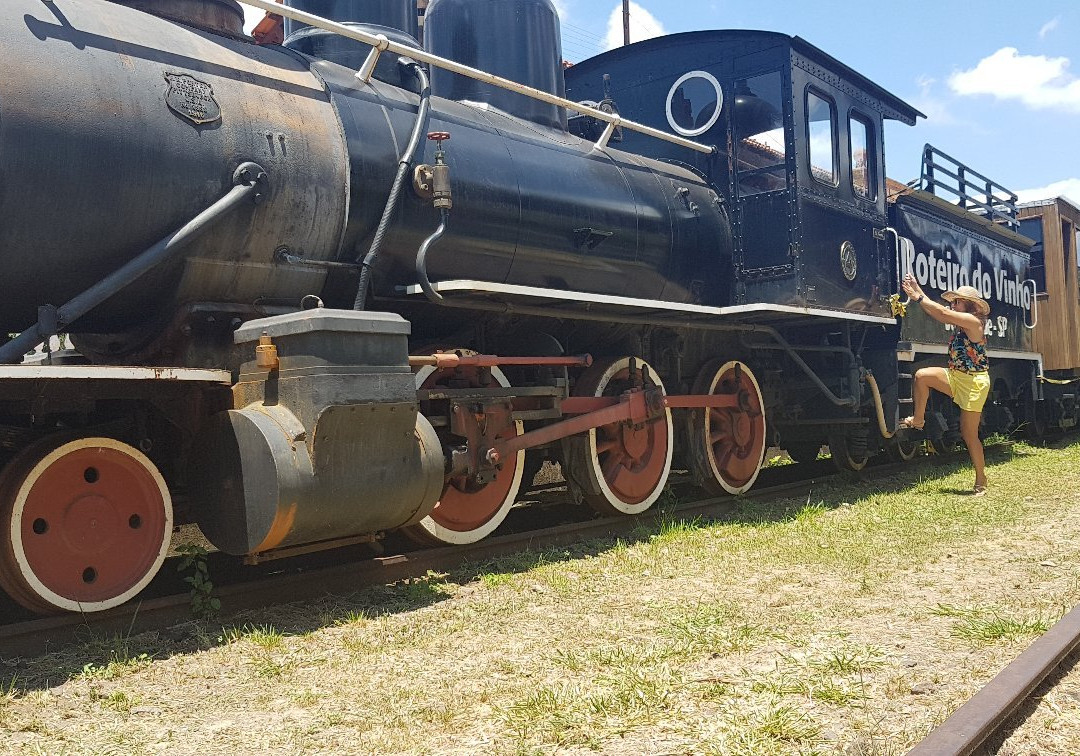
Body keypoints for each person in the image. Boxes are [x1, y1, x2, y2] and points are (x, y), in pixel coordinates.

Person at [899, 274, 991, 495]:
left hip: (974, 382)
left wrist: (917, 296)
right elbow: (937, 312)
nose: (953, 304)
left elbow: (941, 313)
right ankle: (918, 420)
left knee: (969, 434)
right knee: (922, 376)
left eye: (957, 301)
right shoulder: (961, 322)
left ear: (969, 305)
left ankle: (981, 479)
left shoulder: (973, 322)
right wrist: (917, 290)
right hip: (956, 375)